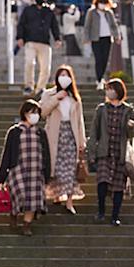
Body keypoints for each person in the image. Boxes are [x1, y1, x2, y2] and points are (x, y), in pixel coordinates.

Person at [0, 100, 52, 236]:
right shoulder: (15, 132)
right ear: (24, 113)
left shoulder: (40, 133)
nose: (35, 115)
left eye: (37, 113)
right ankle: (14, 214)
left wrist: (47, 174)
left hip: (36, 171)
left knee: (33, 199)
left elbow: (46, 154)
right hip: (18, 171)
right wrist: (1, 176)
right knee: (19, 195)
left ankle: (27, 224)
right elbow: (7, 153)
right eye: (32, 112)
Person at [88, 78, 134, 227]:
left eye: (111, 88)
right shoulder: (102, 109)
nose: (109, 91)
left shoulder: (129, 110)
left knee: (118, 187)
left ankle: (115, 216)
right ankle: (101, 211)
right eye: (107, 89)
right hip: (105, 152)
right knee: (102, 182)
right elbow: (94, 131)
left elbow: (133, 134)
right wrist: (91, 153)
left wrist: (131, 126)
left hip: (120, 152)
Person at [39, 65, 87, 214]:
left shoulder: (75, 98)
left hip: (70, 135)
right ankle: (57, 195)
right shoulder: (49, 94)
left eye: (67, 75)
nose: (64, 78)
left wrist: (81, 142)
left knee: (70, 169)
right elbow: (42, 112)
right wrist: (56, 98)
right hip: (54, 135)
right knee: (56, 168)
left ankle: (69, 201)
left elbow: (80, 122)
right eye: (61, 75)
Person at [16, 0, 62, 96]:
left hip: (45, 42)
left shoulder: (49, 11)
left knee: (45, 67)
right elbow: (21, 24)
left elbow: (54, 26)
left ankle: (41, 88)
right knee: (29, 63)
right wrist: (20, 37)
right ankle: (28, 86)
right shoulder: (28, 10)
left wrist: (57, 38)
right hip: (30, 41)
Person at [85, 0, 120, 90]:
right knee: (98, 59)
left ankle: (101, 78)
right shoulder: (91, 12)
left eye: (105, 2)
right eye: (101, 2)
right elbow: (87, 26)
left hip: (107, 38)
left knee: (105, 59)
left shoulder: (109, 13)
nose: (103, 5)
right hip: (96, 38)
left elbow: (114, 25)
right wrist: (86, 38)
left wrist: (117, 36)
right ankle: (99, 79)